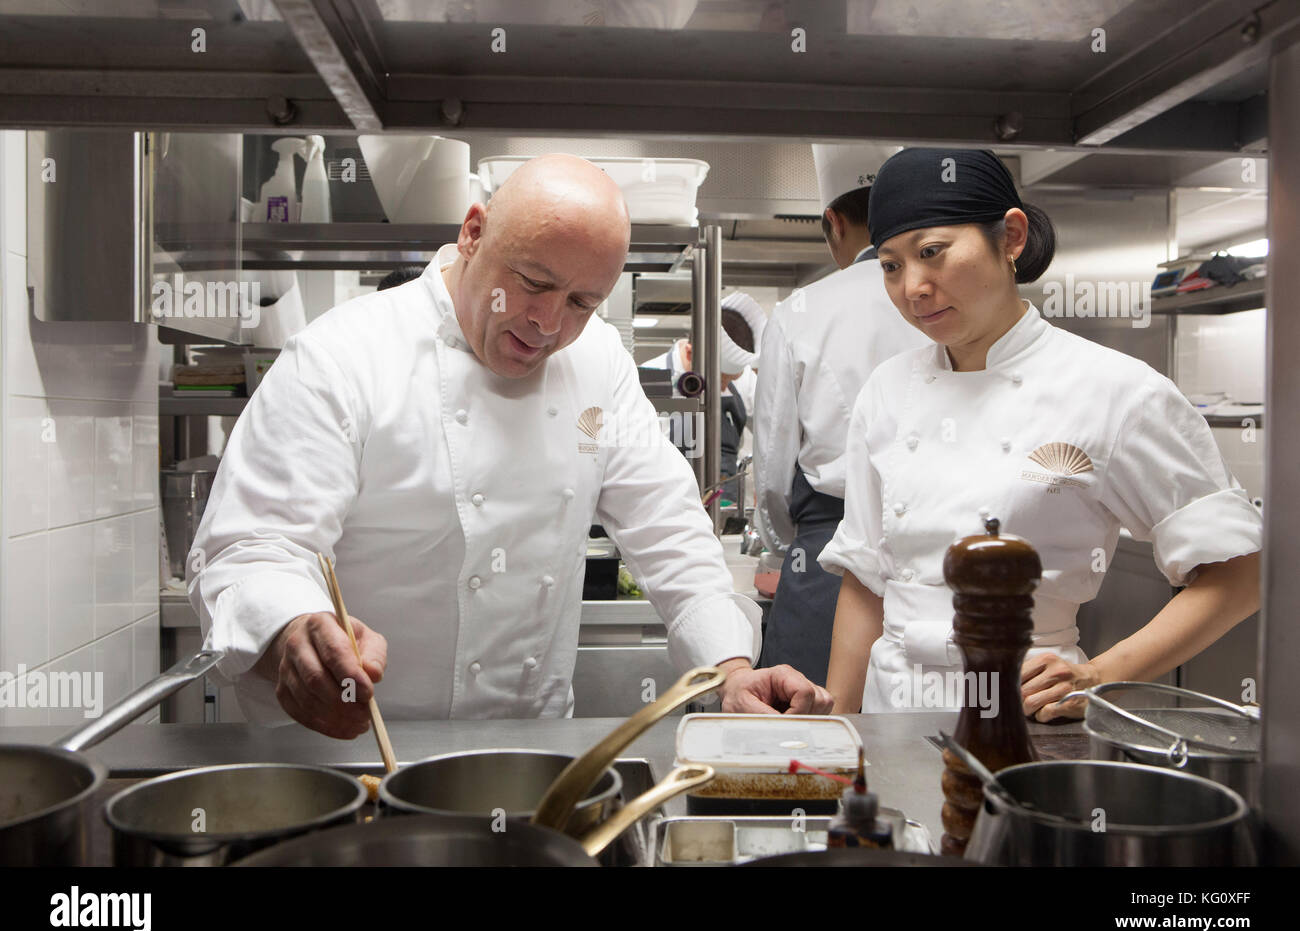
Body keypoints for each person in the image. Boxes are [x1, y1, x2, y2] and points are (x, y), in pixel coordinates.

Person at [188, 154, 832, 738]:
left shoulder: (598, 364)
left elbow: (669, 529)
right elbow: (256, 548)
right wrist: (293, 629)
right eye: (533, 282)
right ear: (473, 233)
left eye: (581, 302)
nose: (548, 324)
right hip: (349, 757)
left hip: (522, 755)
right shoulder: (342, 356)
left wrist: (730, 670)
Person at [819, 148, 1262, 719]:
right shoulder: (886, 389)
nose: (913, 287)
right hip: (891, 714)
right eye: (890, 265)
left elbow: (1241, 573)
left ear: (1011, 236)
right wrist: (838, 735)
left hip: (1027, 718)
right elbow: (865, 580)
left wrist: (1100, 675)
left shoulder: (1114, 389)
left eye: (931, 252)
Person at [752, 144, 928, 685]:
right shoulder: (944, 300)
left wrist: (785, 547)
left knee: (809, 723)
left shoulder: (799, 312)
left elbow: (773, 471)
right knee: (929, 726)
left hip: (827, 557)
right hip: (935, 562)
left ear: (833, 221)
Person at [641, 292, 766, 497]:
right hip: (666, 501)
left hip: (725, 500)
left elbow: (772, 429)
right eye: (720, 379)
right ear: (691, 354)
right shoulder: (649, 380)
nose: (724, 388)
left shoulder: (744, 380)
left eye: (731, 380)